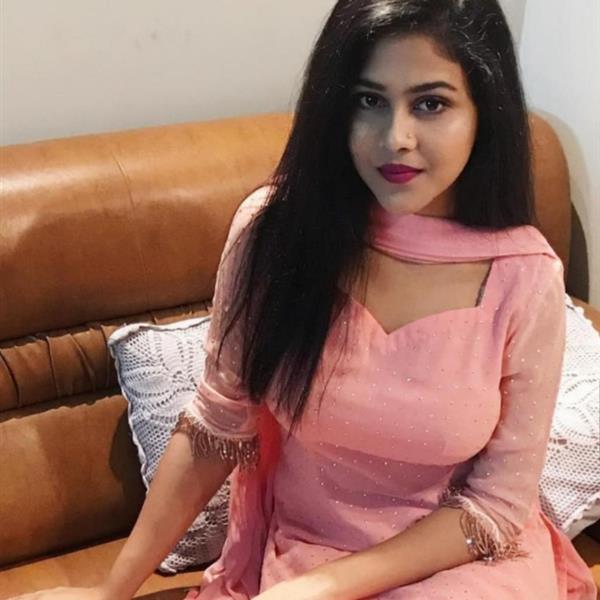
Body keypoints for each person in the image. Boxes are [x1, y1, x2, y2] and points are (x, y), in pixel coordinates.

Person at [14, 1, 596, 599]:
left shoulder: (524, 276)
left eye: (431, 104)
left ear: (485, 111)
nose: (395, 138)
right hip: (308, 548)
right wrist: (111, 592)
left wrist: (325, 587)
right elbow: (217, 426)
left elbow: (497, 505)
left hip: (457, 561)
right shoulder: (276, 235)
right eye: (368, 100)